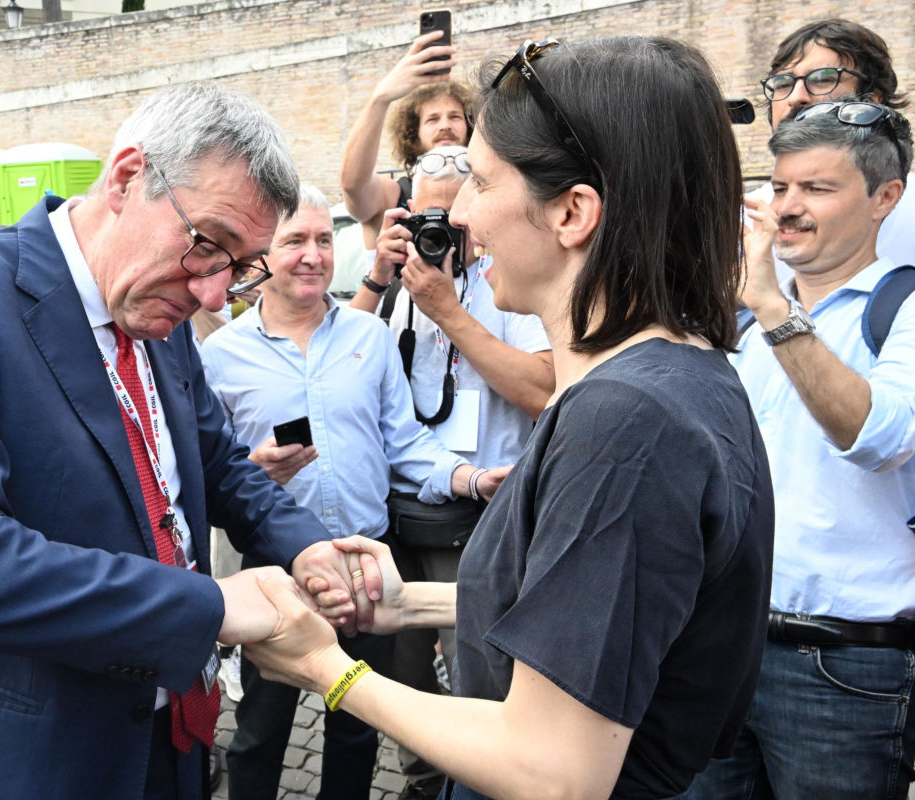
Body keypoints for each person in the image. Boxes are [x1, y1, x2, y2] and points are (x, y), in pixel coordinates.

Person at [246, 35, 775, 800]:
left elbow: (552, 769)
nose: (462, 215)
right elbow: (595, 613)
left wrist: (327, 671)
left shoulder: (626, 422)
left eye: (482, 182)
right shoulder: (670, 376)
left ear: (572, 212)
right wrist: (411, 604)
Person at [0, 82, 369, 800]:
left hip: (170, 741)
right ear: (128, 177)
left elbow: (215, 460)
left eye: (243, 265)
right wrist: (214, 607)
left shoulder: (158, 306)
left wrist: (305, 541)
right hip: (28, 756)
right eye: (207, 245)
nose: (215, 294)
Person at [202, 183, 506, 800]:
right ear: (262, 253)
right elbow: (210, 473)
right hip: (275, 570)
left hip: (369, 564)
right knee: (260, 732)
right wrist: (254, 472)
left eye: (321, 239)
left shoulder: (369, 341)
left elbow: (405, 444)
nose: (312, 255)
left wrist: (472, 479)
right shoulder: (220, 356)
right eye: (294, 241)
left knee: (356, 727)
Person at [679, 99, 915, 798]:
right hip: (723, 647)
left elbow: (875, 437)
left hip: (843, 670)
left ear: (885, 199)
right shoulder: (748, 327)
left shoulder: (901, 310)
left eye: (817, 188)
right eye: (780, 187)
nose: (788, 207)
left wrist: (776, 307)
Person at [349, 143, 553, 798]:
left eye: (452, 218)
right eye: (424, 218)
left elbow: (543, 389)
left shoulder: (507, 283)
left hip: (484, 516)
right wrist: (381, 276)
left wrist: (449, 311)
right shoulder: (397, 281)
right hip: (402, 513)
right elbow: (337, 367)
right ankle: (424, 784)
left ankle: (485, 782)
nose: (441, 233)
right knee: (406, 676)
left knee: (480, 672)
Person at [746, 19, 915, 278]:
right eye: (782, 83)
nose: (796, 97)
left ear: (872, 100)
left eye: (823, 79)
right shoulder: (743, 221)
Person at [340, 32, 474, 247]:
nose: (445, 125)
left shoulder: (487, 189)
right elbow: (354, 186)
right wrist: (380, 98)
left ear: (470, 126)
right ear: (413, 135)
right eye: (432, 119)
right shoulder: (395, 196)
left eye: (455, 116)